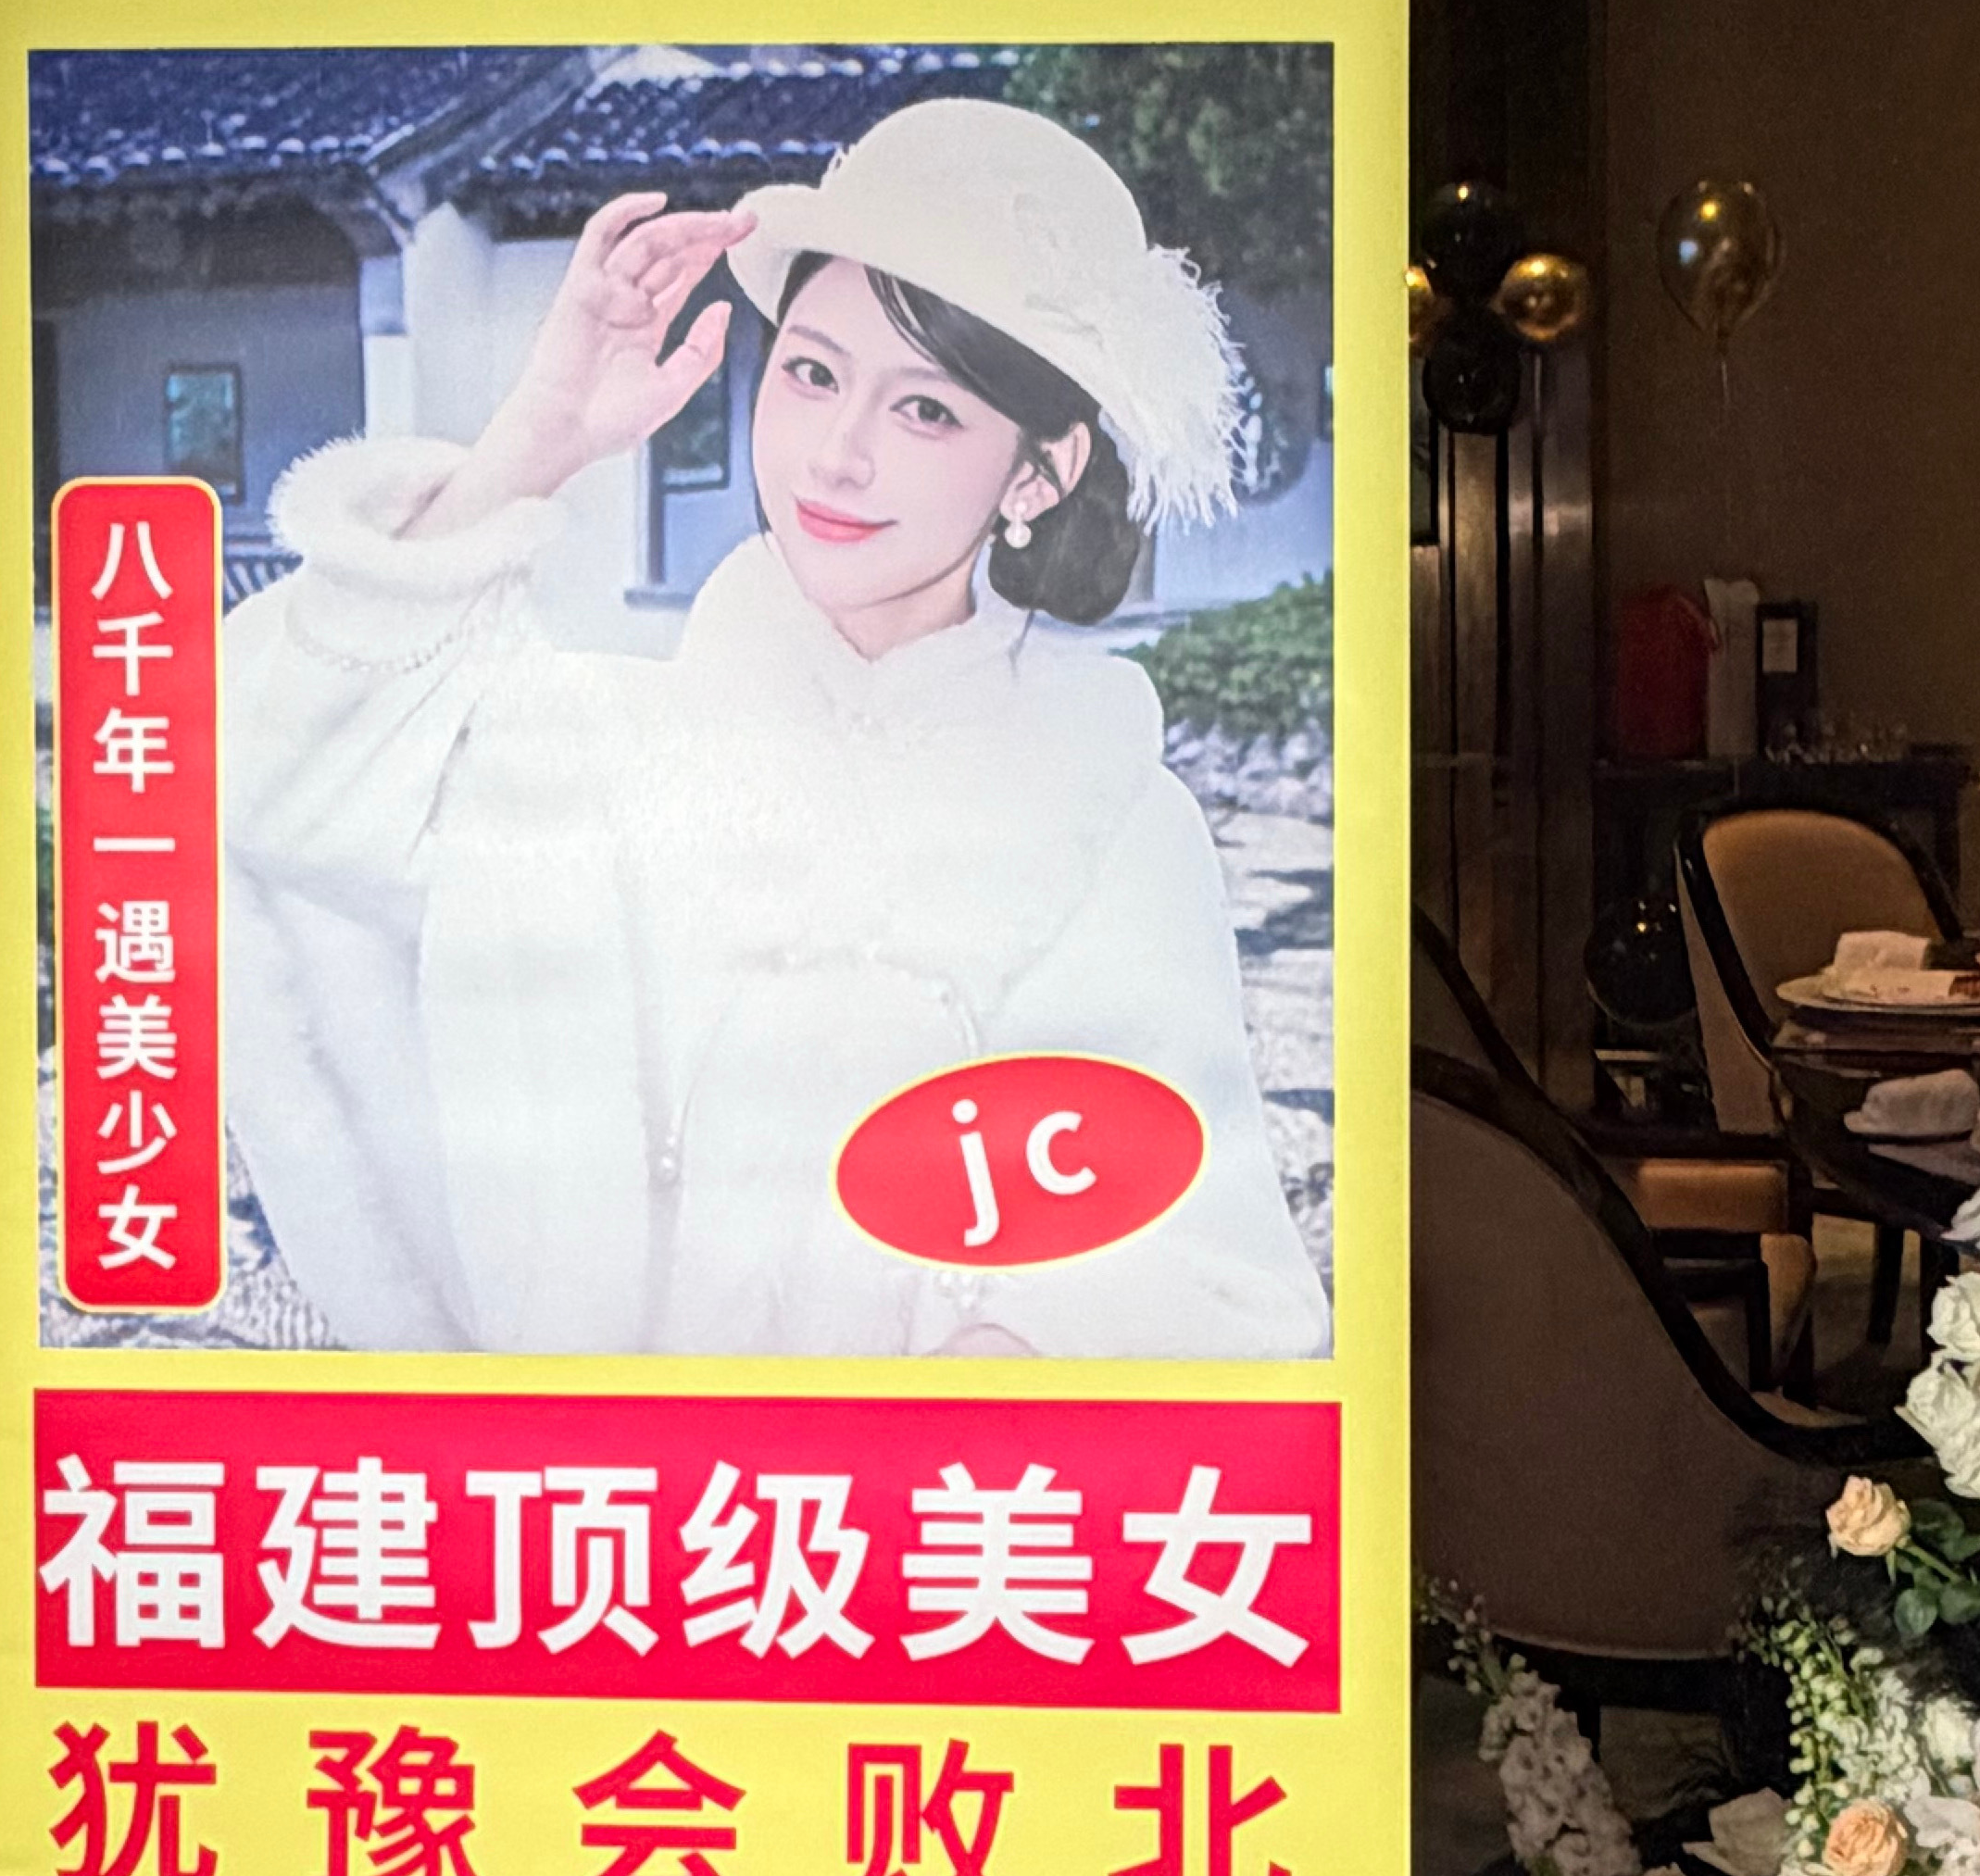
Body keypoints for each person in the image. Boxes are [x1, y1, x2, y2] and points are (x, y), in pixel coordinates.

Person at [207, 93, 1329, 1359]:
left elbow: (1203, 1264)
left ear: (1041, 469)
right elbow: (278, 778)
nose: (836, 455)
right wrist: (534, 443)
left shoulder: (1113, 821)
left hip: (935, 1481)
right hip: (598, 1478)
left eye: (926, 409)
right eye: (811, 372)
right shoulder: (599, 748)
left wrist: (1003, 1359)